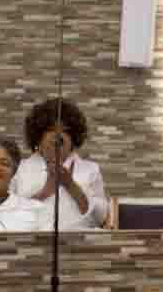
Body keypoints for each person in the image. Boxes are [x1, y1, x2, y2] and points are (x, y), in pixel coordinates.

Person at [10, 98, 109, 230]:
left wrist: (71, 186)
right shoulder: (19, 169)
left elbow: (101, 218)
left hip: (78, 239)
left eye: (66, 131)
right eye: (51, 129)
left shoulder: (90, 169)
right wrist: (45, 192)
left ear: (73, 138)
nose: (58, 135)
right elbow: (9, 216)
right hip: (32, 239)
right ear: (38, 136)